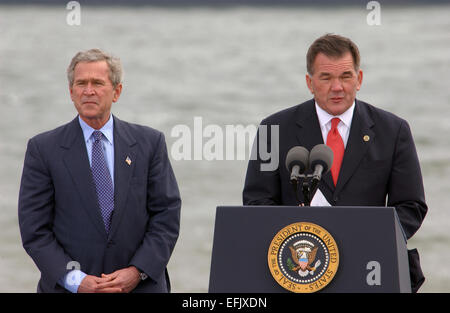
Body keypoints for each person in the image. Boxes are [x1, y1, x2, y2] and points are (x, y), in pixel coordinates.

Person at [242, 34, 427, 292]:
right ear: (310, 82)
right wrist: (300, 236)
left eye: (346, 77)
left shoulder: (393, 130)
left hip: (371, 269)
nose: (337, 87)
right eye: (326, 78)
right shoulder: (272, 129)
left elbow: (411, 205)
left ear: (359, 79)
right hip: (298, 272)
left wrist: (370, 236)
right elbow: (255, 202)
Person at [18, 49, 181, 293]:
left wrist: (136, 272)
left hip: (140, 287)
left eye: (97, 83)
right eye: (81, 83)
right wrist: (75, 280)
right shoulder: (43, 149)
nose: (88, 91)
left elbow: (166, 216)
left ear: (117, 92)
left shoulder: (149, 143)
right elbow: (34, 230)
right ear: (71, 92)